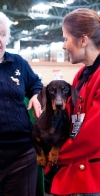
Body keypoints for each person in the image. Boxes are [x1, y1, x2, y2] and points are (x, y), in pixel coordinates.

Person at [50, 8, 100, 196]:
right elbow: (69, 115)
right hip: (76, 166)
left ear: (83, 40)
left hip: (92, 173)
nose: (63, 45)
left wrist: (57, 155)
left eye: (65, 39)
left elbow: (95, 132)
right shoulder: (82, 73)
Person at [0, 12, 43, 196]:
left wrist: (35, 95)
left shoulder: (18, 63)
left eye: (2, 34)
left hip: (22, 155)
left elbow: (35, 83)